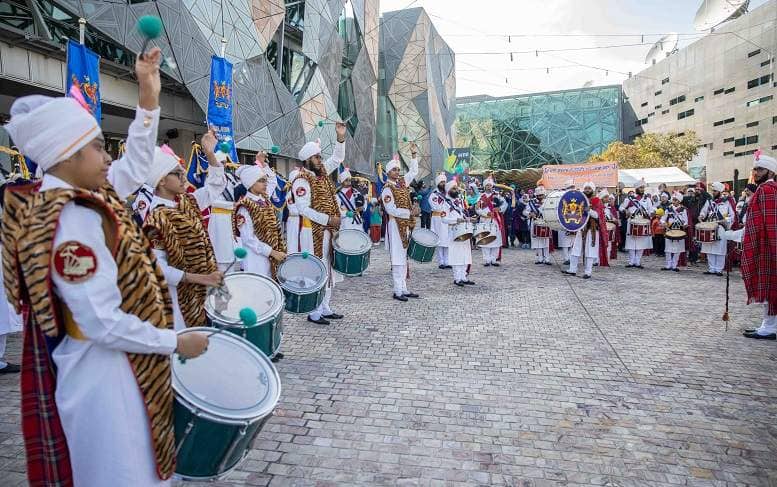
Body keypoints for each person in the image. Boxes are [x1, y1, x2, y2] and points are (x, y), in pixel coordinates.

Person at [1, 47, 208, 486]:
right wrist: (173, 341)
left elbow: (134, 163)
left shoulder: (88, 194)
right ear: (66, 155)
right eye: (97, 147)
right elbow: (99, 323)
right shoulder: (69, 219)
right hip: (103, 376)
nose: (107, 157)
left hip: (122, 364)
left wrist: (148, 98)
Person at [143, 140, 226, 331]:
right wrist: (200, 278)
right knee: (184, 347)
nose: (184, 177)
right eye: (178, 174)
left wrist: (210, 153)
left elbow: (216, 185)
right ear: (161, 180)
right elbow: (157, 268)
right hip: (177, 298)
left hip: (202, 290)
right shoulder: (157, 218)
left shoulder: (187, 201)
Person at [290, 123, 347, 325]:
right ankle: (314, 312)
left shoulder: (321, 174)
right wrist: (328, 219)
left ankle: (326, 307)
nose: (320, 160)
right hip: (313, 231)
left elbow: (338, 158)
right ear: (307, 160)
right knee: (317, 269)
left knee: (329, 267)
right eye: (317, 157)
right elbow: (304, 209)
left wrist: (340, 138)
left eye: (320, 157)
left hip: (328, 231)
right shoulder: (301, 180)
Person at [735, 152, 777, 340]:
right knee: (769, 288)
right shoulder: (768, 189)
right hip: (765, 243)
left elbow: (769, 222)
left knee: (769, 287)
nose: (756, 172)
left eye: (760, 169)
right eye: (755, 169)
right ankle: (768, 325)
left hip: (766, 246)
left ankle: (769, 327)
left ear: (770, 172)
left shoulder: (767, 190)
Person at [233, 164, 287, 280]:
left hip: (271, 256)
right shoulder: (244, 207)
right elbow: (248, 238)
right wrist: (271, 252)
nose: (265, 183)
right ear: (251, 184)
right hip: (255, 259)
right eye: (261, 181)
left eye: (265, 180)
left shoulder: (265, 201)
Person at [381, 145, 420, 301]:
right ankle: (397, 291)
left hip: (406, 225)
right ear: (388, 172)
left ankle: (404, 288)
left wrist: (414, 154)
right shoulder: (387, 188)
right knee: (397, 258)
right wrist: (409, 213)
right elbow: (391, 209)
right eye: (394, 170)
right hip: (395, 225)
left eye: (398, 169)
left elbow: (414, 172)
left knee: (404, 258)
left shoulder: (403, 183)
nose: (397, 172)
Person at [563, 183, 608, 279]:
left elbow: (597, 215)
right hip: (581, 228)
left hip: (592, 229)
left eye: (589, 188)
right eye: (586, 188)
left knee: (590, 251)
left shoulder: (596, 200)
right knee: (575, 249)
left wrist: (589, 211)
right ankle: (572, 269)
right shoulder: (581, 199)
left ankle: (588, 272)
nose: (587, 190)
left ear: (592, 189)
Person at [441, 179, 475, 286]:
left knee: (465, 254)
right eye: (454, 188)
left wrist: (469, 218)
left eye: (456, 188)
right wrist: (456, 221)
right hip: (454, 231)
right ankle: (457, 278)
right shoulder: (445, 203)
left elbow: (462, 215)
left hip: (463, 229)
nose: (456, 190)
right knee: (456, 255)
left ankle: (464, 276)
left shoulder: (459, 201)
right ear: (448, 190)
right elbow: (443, 219)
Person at [698, 181, 735, 276]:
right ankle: (711, 268)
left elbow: (732, 215)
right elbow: (704, 211)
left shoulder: (727, 201)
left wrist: (726, 221)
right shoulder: (710, 201)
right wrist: (701, 216)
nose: (713, 192)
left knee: (720, 248)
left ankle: (718, 269)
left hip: (721, 227)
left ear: (719, 191)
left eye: (715, 191)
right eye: (713, 191)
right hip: (710, 226)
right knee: (710, 247)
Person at [619, 180, 654, 268]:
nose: (642, 189)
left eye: (643, 188)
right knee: (631, 242)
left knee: (641, 243)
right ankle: (631, 262)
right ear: (636, 188)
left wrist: (652, 212)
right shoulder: (630, 198)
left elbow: (651, 209)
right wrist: (626, 211)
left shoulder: (647, 199)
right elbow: (621, 207)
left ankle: (637, 262)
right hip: (632, 222)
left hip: (643, 222)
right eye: (640, 188)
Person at [476, 176, 507, 266]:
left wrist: (499, 209)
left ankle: (494, 259)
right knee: (485, 239)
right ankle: (486, 260)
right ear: (485, 186)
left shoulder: (497, 196)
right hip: (485, 220)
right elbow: (477, 209)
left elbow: (505, 204)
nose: (489, 187)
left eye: (490, 185)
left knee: (496, 240)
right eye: (487, 185)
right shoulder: (480, 197)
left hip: (495, 221)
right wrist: (486, 214)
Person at [660, 192, 688, 272]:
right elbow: (663, 219)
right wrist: (663, 223)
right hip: (670, 230)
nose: (674, 201)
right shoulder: (668, 209)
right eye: (673, 200)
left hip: (679, 231)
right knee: (668, 249)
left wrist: (685, 224)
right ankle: (668, 265)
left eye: (676, 200)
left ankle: (674, 265)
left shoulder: (683, 210)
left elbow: (685, 221)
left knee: (677, 249)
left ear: (679, 201)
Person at [525, 186, 551, 264]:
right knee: (538, 241)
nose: (540, 196)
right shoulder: (531, 202)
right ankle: (540, 258)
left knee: (546, 241)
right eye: (539, 195)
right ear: (536, 195)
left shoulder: (548, 201)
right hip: (535, 222)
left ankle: (547, 259)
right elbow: (525, 211)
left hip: (546, 223)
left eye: (542, 195)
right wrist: (529, 213)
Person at [429, 172, 451, 269]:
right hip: (438, 219)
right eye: (441, 182)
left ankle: (447, 261)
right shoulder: (434, 195)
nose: (443, 184)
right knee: (439, 240)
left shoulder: (448, 194)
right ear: (438, 183)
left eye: (444, 182)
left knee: (447, 241)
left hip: (448, 219)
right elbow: (436, 207)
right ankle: (441, 261)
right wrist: (444, 199)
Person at [336, 167, 367, 232]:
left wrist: (363, 208)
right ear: (342, 181)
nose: (348, 182)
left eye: (349, 180)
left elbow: (364, 202)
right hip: (345, 222)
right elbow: (337, 210)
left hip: (356, 221)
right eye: (346, 180)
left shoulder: (356, 192)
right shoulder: (338, 195)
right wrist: (346, 213)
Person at [557, 180, 576, 264]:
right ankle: (566, 258)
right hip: (563, 220)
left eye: (572, 187)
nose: (572, 189)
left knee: (573, 241)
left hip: (574, 220)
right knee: (565, 241)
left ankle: (570, 257)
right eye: (570, 187)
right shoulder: (560, 196)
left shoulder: (576, 196)